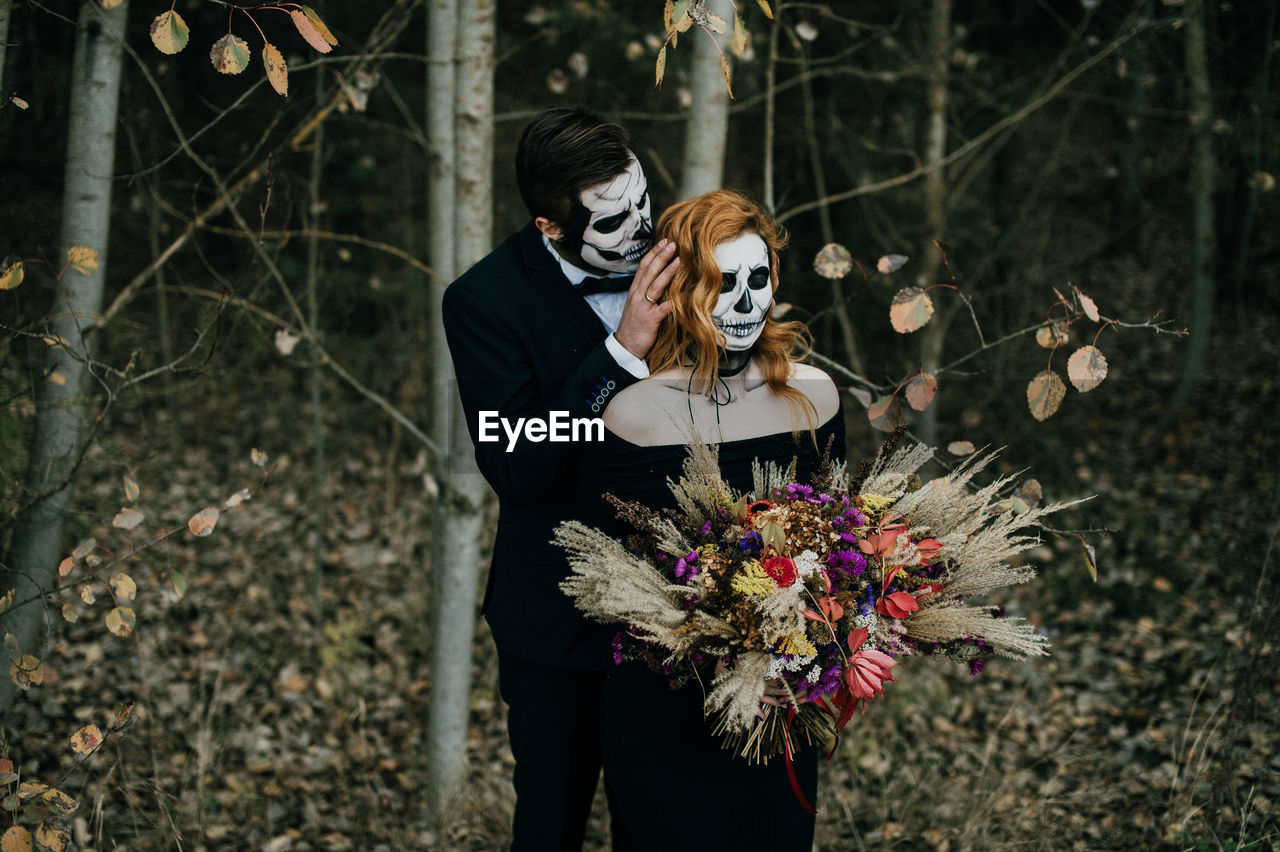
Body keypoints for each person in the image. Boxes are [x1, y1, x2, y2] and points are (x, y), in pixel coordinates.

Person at [574, 190, 845, 850]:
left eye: (759, 280)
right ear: (682, 287)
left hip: (778, 703)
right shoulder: (632, 411)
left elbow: (838, 549)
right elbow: (612, 575)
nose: (746, 303)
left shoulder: (813, 396)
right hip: (663, 710)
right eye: (724, 284)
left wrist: (811, 661)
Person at [441, 108, 680, 850]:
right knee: (552, 820)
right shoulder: (483, 302)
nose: (643, 230)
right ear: (550, 226)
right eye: (614, 222)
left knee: (660, 821)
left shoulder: (676, 248)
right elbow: (517, 459)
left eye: (643, 199)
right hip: (554, 618)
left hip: (678, 604)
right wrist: (623, 350)